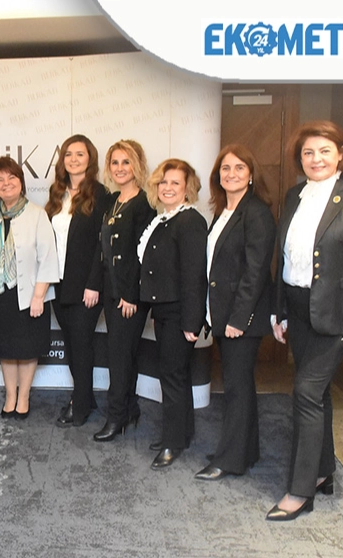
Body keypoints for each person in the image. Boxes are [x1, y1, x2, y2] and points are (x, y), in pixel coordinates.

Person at [267, 121, 343, 520]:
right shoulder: (294, 194)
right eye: (308, 152)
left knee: (305, 392)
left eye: (324, 151)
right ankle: (323, 471)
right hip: (299, 310)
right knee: (317, 395)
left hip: (337, 315)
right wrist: (280, 310)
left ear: (340, 154)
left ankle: (301, 490)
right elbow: (285, 257)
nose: (315, 159)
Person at [194, 145, 275, 481]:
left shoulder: (256, 213)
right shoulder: (224, 211)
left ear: (251, 174)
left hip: (241, 318)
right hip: (223, 313)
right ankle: (246, 451)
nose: (232, 174)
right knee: (240, 385)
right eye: (225, 168)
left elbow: (256, 272)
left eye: (240, 168)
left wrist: (238, 320)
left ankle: (229, 460)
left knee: (236, 388)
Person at [138, 158, 207, 468]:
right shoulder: (164, 219)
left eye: (175, 183)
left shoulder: (189, 221)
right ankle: (182, 433)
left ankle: (172, 442)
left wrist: (192, 321)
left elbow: (194, 275)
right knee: (176, 374)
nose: (168, 187)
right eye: (163, 182)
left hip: (180, 313)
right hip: (164, 310)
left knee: (172, 377)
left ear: (187, 189)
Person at [0, 156, 59, 420]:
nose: (6, 183)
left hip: (28, 294)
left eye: (11, 177)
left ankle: (23, 397)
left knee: (26, 349)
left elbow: (48, 258)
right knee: (5, 349)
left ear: (21, 182)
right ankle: (9, 396)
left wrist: (39, 296)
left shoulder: (37, 214)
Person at [45, 135, 109, 427]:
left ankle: (79, 406)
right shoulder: (57, 193)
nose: (73, 159)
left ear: (90, 159)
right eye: (68, 154)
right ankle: (86, 396)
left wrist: (94, 284)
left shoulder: (100, 194)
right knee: (71, 344)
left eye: (80, 154)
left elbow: (102, 244)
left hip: (86, 286)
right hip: (59, 282)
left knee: (81, 345)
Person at [93, 140, 153, 442]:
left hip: (129, 295)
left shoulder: (144, 204)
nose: (120, 168)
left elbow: (142, 255)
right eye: (114, 162)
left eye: (126, 162)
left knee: (119, 356)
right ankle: (130, 409)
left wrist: (131, 295)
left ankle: (116, 417)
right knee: (123, 353)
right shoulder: (113, 200)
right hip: (111, 290)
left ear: (137, 165)